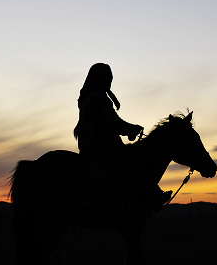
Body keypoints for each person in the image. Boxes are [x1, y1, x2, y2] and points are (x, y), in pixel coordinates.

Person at [73, 63, 171, 211]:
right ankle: (149, 195)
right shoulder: (99, 98)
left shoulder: (87, 97)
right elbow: (113, 122)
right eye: (108, 78)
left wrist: (128, 130)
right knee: (132, 163)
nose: (109, 82)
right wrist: (132, 128)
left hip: (88, 146)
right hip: (103, 146)